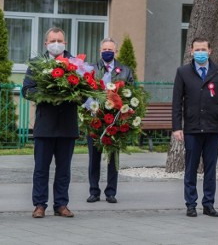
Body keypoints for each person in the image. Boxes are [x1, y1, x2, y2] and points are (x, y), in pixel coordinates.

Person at [172, 37, 218, 218]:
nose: (200, 53)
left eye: (203, 49)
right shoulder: (183, 72)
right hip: (192, 129)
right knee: (190, 168)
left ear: (210, 51)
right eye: (197, 50)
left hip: (213, 129)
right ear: (191, 51)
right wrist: (177, 127)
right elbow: (177, 102)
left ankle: (208, 204)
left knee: (210, 169)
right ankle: (191, 204)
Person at [22, 27, 78, 218]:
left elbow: (84, 91)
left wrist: (72, 95)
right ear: (46, 43)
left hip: (67, 125)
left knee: (64, 169)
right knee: (41, 169)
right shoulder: (37, 63)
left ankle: (61, 204)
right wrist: (48, 95)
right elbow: (27, 89)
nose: (56, 43)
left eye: (59, 40)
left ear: (65, 43)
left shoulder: (75, 63)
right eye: (52, 40)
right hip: (45, 126)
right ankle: (39, 204)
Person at [86, 37, 135, 204]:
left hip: (115, 119)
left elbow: (131, 93)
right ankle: (94, 191)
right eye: (104, 49)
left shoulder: (125, 70)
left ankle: (111, 192)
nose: (107, 52)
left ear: (116, 51)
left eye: (110, 50)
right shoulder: (92, 68)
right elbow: (85, 91)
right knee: (94, 157)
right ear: (100, 51)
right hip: (95, 118)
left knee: (113, 157)